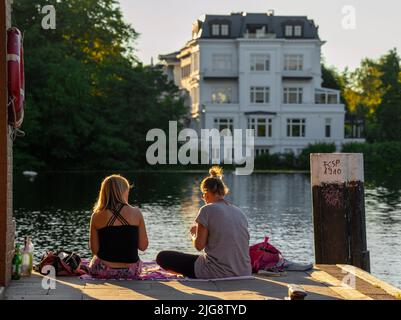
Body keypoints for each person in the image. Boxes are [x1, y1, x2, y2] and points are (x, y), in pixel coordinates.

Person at [156, 166, 252, 279]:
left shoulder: (207, 209)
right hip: (244, 271)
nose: (203, 198)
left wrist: (193, 234)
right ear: (222, 192)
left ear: (206, 192)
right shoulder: (239, 212)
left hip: (217, 272)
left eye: (202, 195)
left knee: (162, 257)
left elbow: (199, 245)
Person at [88, 174, 148, 279]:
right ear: (124, 192)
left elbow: (95, 250)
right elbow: (143, 246)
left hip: (104, 270)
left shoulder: (96, 216)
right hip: (131, 271)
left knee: (94, 260)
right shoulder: (136, 213)